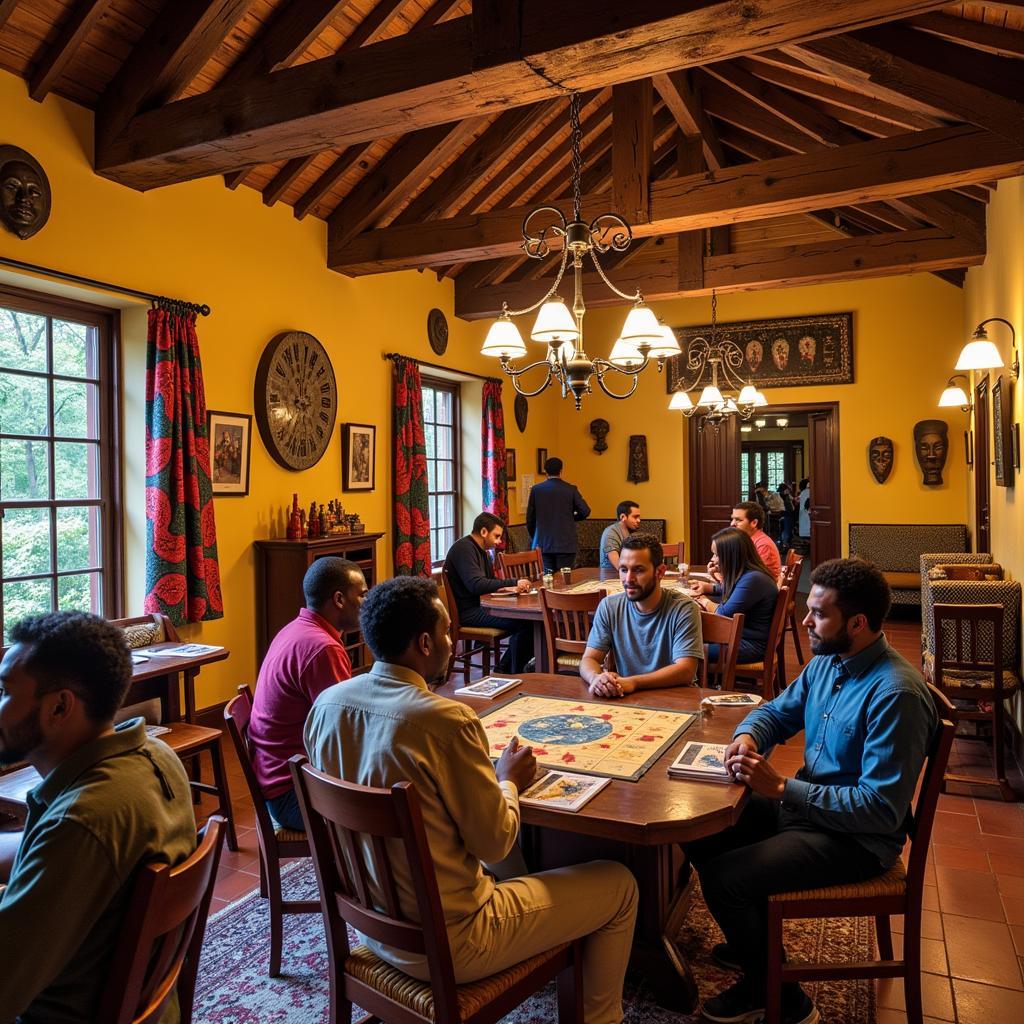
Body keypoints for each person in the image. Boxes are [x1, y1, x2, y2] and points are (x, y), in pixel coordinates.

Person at [304, 577, 638, 1024]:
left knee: (506, 863)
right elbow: (495, 843)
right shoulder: (445, 722)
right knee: (619, 883)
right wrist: (509, 782)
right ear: (424, 643)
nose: (450, 641)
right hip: (455, 940)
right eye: (445, 633)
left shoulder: (326, 706)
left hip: (374, 928)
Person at [684, 559, 937, 1024]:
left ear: (858, 623)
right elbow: (778, 711)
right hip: (809, 813)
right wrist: (747, 736)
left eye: (818, 614)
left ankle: (781, 997)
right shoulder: (828, 661)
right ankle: (755, 945)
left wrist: (781, 788)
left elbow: (879, 810)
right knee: (700, 826)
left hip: (856, 840)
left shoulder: (895, 694)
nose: (804, 621)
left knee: (726, 879)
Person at [0, 612, 196, 1023]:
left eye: (4, 691)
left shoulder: (81, 822)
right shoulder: (155, 756)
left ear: (59, 706)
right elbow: (55, 848)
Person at [248, 557, 368, 830]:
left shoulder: (296, 629)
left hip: (274, 774)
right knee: (393, 808)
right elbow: (344, 731)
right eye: (362, 595)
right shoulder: (323, 648)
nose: (367, 602)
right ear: (339, 599)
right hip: (292, 792)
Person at [581, 534, 703, 698]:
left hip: (678, 698)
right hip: (629, 699)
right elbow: (589, 659)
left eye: (638, 570)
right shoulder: (609, 606)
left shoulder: (684, 608)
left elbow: (685, 670)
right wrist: (596, 678)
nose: (628, 579)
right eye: (623, 570)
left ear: (659, 572)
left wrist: (633, 682)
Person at [443, 512, 533, 673]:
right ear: (484, 531)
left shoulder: (481, 550)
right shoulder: (464, 548)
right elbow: (476, 585)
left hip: (481, 606)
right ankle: (505, 670)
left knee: (530, 622)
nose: (499, 542)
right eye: (496, 536)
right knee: (527, 623)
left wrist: (507, 588)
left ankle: (511, 668)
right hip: (470, 612)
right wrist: (512, 582)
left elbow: (489, 581)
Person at [691, 528, 779, 664]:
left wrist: (702, 599)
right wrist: (707, 587)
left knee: (685, 649)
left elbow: (722, 613)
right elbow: (733, 589)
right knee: (687, 640)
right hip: (740, 637)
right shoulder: (751, 574)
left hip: (748, 645)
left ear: (731, 555)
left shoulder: (753, 580)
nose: (712, 559)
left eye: (716, 554)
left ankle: (702, 682)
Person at [526, 456, 590, 572]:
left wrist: (535, 536)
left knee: (547, 579)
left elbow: (530, 518)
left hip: (543, 543)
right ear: (561, 471)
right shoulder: (571, 489)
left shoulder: (536, 490)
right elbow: (585, 511)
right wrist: (571, 517)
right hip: (566, 543)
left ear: (545, 472)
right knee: (564, 580)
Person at [599, 500, 642, 570]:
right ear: (623, 517)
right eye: (635, 517)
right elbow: (619, 566)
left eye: (639, 517)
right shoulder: (611, 532)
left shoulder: (631, 532)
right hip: (611, 577)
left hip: (624, 575)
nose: (638, 520)